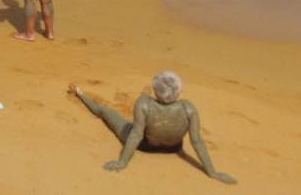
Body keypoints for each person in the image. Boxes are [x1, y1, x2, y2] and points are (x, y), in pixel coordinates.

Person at [69, 75, 236, 184]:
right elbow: (197, 141)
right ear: (178, 92)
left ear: (156, 91)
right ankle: (80, 93)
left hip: (146, 146)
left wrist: (122, 163)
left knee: (105, 112)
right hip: (174, 148)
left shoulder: (144, 103)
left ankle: (80, 94)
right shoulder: (188, 108)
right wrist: (213, 172)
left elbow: (135, 135)